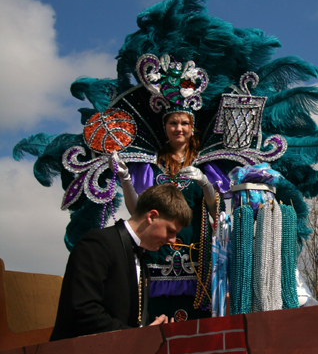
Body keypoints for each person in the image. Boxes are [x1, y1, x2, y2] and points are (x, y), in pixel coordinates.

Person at [112, 110, 220, 323]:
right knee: (157, 315)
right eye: (173, 123)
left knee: (196, 320)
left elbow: (217, 212)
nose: (179, 129)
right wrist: (125, 179)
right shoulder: (151, 165)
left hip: (195, 254)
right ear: (165, 127)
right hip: (157, 252)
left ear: (192, 127)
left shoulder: (205, 163)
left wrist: (205, 183)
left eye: (184, 123)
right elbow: (137, 212)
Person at [50, 184, 192, 341]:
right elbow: (82, 311)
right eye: (170, 230)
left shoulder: (141, 258)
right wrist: (139, 336)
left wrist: (150, 332)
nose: (173, 240)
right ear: (152, 216)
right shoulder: (97, 244)